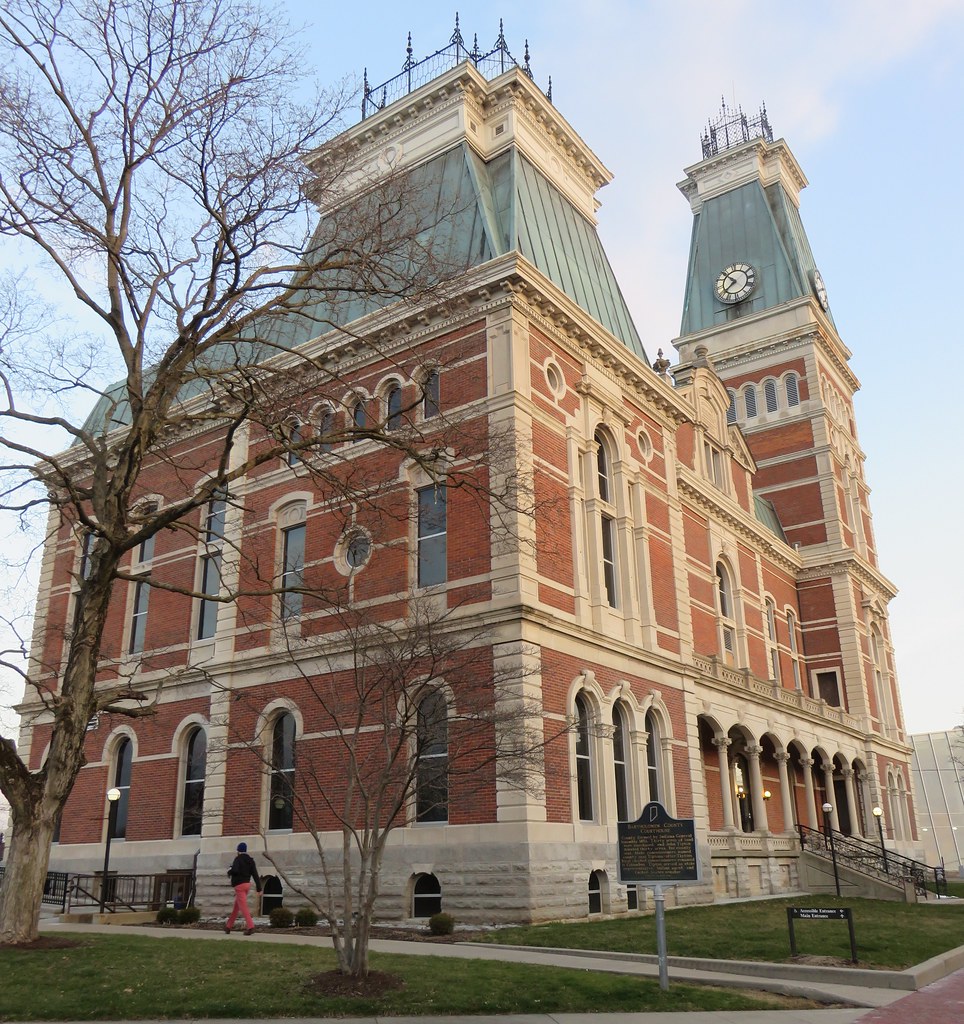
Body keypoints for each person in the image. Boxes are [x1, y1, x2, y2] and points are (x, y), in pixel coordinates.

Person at [225, 841, 261, 935]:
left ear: (238, 851)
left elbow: (235, 870)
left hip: (239, 886)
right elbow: (255, 875)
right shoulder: (250, 860)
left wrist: (230, 871)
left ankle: (250, 927)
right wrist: (259, 888)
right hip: (247, 885)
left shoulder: (238, 859)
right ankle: (228, 926)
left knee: (243, 907)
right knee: (236, 907)